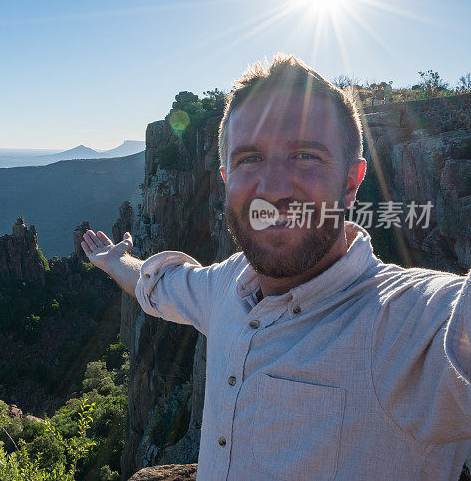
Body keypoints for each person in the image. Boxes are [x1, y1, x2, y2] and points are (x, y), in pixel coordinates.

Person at [81, 54, 471, 480]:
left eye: (306, 155)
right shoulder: (227, 286)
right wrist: (115, 261)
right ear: (226, 179)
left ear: (351, 183)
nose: (274, 189)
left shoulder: (409, 326)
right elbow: (160, 284)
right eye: (249, 159)